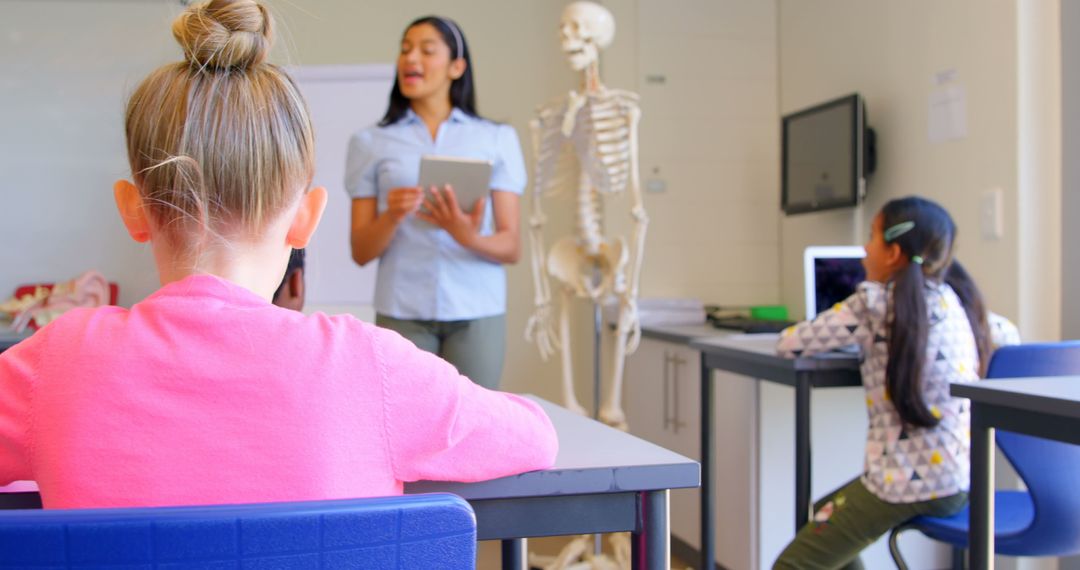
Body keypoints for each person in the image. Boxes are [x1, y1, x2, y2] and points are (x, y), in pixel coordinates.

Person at [0, 0, 556, 509]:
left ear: (132, 209)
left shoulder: (52, 362)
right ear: (305, 217)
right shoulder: (373, 365)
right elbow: (535, 436)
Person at [772, 196, 1009, 569]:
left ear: (893, 252)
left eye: (871, 237)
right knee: (823, 511)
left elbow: (789, 343)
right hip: (958, 481)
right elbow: (1008, 334)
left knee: (794, 565)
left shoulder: (872, 303)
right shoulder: (955, 299)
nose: (864, 249)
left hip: (902, 484)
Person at [345, 15, 525, 390]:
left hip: (477, 310)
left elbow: (511, 246)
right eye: (406, 49)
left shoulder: (496, 139)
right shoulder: (370, 142)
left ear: (457, 66)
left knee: (474, 424)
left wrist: (464, 234)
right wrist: (392, 215)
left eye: (427, 50)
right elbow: (361, 250)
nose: (412, 59)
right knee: (407, 428)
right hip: (402, 310)